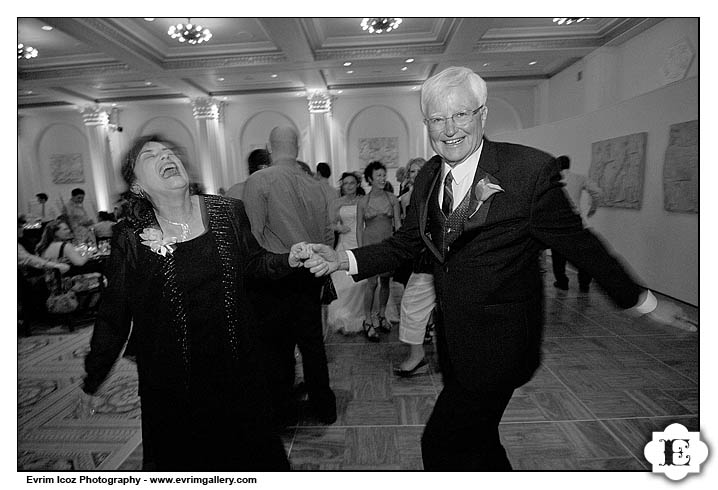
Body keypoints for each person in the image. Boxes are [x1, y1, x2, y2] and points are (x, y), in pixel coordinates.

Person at [301, 66, 696, 470]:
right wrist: (342, 260)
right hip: (454, 343)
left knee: (441, 444)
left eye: (460, 115)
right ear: (426, 124)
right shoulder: (428, 178)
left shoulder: (527, 171)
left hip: (502, 345)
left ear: (483, 115)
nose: (449, 128)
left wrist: (644, 302)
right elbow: (406, 244)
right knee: (481, 443)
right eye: (437, 119)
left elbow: (581, 246)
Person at [78, 134, 306, 470]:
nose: (165, 157)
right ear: (138, 186)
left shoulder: (228, 211)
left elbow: (255, 265)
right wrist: (93, 376)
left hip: (238, 373)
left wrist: (290, 258)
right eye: (150, 156)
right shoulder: (130, 236)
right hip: (172, 387)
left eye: (169, 152)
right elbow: (114, 314)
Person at [243, 126, 336, 425]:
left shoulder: (259, 180)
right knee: (312, 345)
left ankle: (282, 411)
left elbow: (253, 238)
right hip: (310, 274)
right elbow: (327, 237)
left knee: (276, 349)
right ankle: (325, 407)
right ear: (297, 147)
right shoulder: (317, 185)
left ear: (270, 147)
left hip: (274, 276)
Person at [393, 157, 437, 377]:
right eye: (412, 171)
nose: (416, 175)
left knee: (414, 303)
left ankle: (418, 356)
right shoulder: (406, 198)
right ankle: (417, 354)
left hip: (433, 257)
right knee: (412, 303)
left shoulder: (433, 195)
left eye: (421, 171)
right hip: (418, 255)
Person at [356, 160, 401, 341]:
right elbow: (359, 227)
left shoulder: (392, 198)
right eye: (378, 176)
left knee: (385, 282)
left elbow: (397, 223)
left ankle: (382, 314)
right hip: (370, 245)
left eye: (384, 175)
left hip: (388, 244)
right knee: (371, 283)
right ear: (370, 179)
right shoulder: (363, 201)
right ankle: (367, 320)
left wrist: (399, 245)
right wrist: (360, 251)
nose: (382, 179)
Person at [551, 155, 603, 292]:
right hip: (577, 220)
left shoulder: (553, 180)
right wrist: (593, 208)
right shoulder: (579, 178)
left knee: (558, 255)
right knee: (583, 254)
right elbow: (597, 192)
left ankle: (562, 282)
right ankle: (584, 284)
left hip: (557, 222)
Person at [326, 172, 367, 335]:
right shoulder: (337, 203)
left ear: (357, 184)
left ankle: (367, 315)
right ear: (342, 186)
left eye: (352, 183)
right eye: (345, 183)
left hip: (361, 239)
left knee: (363, 280)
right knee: (344, 280)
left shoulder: (363, 201)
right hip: (344, 242)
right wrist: (338, 228)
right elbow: (328, 224)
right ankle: (345, 315)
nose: (349, 186)